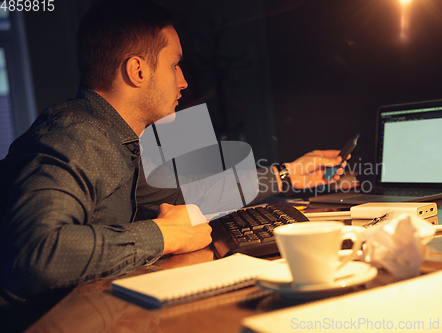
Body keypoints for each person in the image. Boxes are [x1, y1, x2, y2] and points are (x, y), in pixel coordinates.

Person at [0, 0, 347, 299]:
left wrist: (285, 175)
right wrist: (164, 235)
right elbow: (35, 254)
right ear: (137, 70)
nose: (183, 81)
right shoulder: (75, 137)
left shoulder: (122, 140)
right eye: (174, 64)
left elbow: (193, 197)